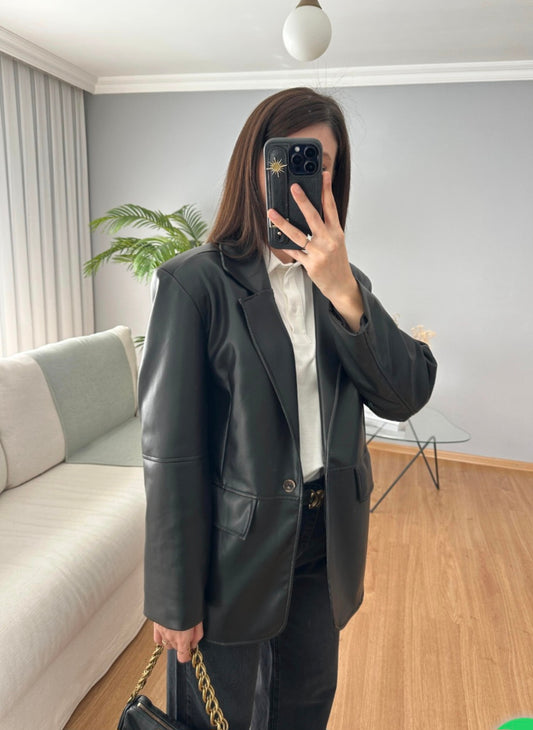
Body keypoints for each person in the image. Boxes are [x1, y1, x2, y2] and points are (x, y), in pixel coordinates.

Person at [138, 87, 437, 730]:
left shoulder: (345, 286)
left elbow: (405, 394)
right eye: (289, 157)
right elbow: (170, 453)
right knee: (214, 717)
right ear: (255, 166)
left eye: (321, 162)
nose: (307, 174)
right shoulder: (194, 284)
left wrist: (344, 290)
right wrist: (173, 595)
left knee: (305, 705)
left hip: (325, 540)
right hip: (231, 551)